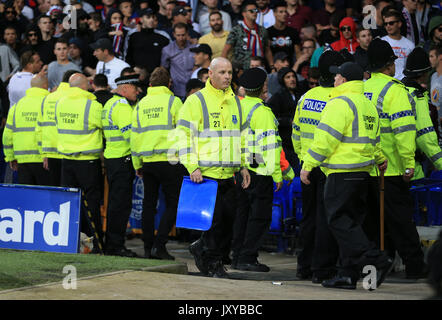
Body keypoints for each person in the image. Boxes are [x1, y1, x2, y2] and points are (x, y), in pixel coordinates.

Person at [300, 61, 393, 290]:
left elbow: (325, 139)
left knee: (339, 221)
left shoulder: (338, 103)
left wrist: (308, 164)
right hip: (362, 172)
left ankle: (376, 259)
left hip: (341, 172)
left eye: (337, 76)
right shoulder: (368, 105)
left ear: (343, 80)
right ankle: (347, 275)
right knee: (352, 222)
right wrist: (380, 159)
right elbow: (374, 138)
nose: (334, 79)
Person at [178, 57, 251, 278]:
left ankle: (201, 248)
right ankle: (212, 263)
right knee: (215, 223)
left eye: (229, 72)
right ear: (210, 74)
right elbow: (183, 137)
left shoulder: (237, 101)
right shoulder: (196, 101)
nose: (227, 76)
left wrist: (245, 165)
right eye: (222, 72)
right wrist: (192, 167)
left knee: (228, 223)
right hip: (206, 175)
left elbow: (244, 137)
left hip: (229, 173)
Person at [364, 38, 427, 279]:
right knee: (400, 221)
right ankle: (414, 266)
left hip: (365, 167)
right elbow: (404, 131)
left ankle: (381, 264)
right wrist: (409, 164)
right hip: (390, 169)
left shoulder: (362, 88)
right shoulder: (395, 90)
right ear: (390, 65)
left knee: (373, 223)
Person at [292, 50, 343, 283]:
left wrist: (304, 159)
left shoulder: (305, 97)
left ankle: (304, 266)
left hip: (306, 166)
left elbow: (296, 133)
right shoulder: (337, 98)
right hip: (329, 167)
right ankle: (322, 269)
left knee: (309, 217)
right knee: (326, 219)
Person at [231, 67, 285, 272]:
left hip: (240, 169)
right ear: (263, 86)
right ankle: (248, 257)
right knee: (259, 217)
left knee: (242, 215)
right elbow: (269, 147)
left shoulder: (237, 108)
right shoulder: (263, 112)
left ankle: (237, 255)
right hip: (260, 172)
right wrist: (277, 174)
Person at [131, 66, 184, 260]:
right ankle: (159, 245)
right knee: (173, 204)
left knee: (148, 204)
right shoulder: (174, 102)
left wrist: (137, 163)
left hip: (148, 162)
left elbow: (134, 136)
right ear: (169, 83)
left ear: (151, 84)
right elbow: (183, 132)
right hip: (170, 161)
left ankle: (147, 246)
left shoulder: (141, 104)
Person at [55, 73, 104, 251]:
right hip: (88, 161)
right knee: (91, 204)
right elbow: (103, 125)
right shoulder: (92, 105)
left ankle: (69, 242)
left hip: (66, 160)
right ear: (86, 86)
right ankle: (95, 244)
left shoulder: (60, 104)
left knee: (68, 204)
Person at [102, 74, 139, 258]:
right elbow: (131, 137)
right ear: (124, 88)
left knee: (116, 205)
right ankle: (115, 246)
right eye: (134, 87)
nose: (137, 91)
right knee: (120, 206)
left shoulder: (110, 103)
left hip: (113, 159)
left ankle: (113, 243)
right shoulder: (122, 107)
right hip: (123, 160)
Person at [2, 74, 50, 186]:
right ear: (45, 86)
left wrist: (10, 157)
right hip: (44, 160)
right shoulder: (49, 104)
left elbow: (7, 135)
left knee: (28, 197)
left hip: (22, 160)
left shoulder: (16, 106)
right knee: (45, 197)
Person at [402, 47, 442, 177]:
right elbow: (426, 136)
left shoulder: (397, 91)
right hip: (413, 168)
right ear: (424, 74)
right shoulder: (417, 97)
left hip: (390, 166)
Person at [36, 69, 78, 187]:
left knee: (55, 191)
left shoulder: (48, 98)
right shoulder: (76, 98)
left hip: (51, 152)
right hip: (70, 152)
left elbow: (39, 128)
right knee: (71, 192)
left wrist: (43, 153)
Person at [221, 0, 273, 71]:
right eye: (251, 11)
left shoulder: (262, 30)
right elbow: (226, 50)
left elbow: (267, 50)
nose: (254, 13)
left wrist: (272, 67)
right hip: (241, 70)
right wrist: (223, 67)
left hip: (259, 68)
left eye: (256, 10)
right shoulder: (236, 30)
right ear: (244, 13)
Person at [267, 66, 299, 171]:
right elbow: (272, 118)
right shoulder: (277, 97)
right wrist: (289, 121)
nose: (292, 79)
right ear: (282, 80)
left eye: (293, 76)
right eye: (288, 77)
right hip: (285, 143)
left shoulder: (299, 94)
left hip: (298, 142)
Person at [126, 8, 170, 74]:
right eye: (148, 17)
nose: (151, 20)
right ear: (141, 19)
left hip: (155, 77)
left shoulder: (163, 38)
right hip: (136, 76)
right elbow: (128, 57)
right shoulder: (133, 36)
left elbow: (167, 60)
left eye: (153, 17)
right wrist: (133, 69)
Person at [161, 22, 197, 99]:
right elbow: (163, 69)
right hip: (177, 89)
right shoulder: (167, 50)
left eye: (183, 35)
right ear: (174, 34)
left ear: (187, 33)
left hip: (194, 89)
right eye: (178, 35)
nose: (181, 38)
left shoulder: (194, 47)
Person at [381, 9, 415, 80]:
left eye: (391, 23)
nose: (388, 26)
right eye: (385, 24)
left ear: (399, 24)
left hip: (404, 82)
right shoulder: (381, 42)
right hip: (387, 80)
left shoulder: (410, 45)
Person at [266, 1, 300, 66]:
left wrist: (297, 66)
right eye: (281, 12)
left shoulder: (293, 31)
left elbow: (297, 52)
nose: (284, 14)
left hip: (290, 66)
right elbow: (267, 51)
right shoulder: (268, 32)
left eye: (285, 12)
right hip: (274, 67)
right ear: (274, 13)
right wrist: (272, 67)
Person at [429, 44, 442, 137]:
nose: (430, 59)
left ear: (440, 57)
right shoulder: (433, 76)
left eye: (432, 56)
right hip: (436, 123)